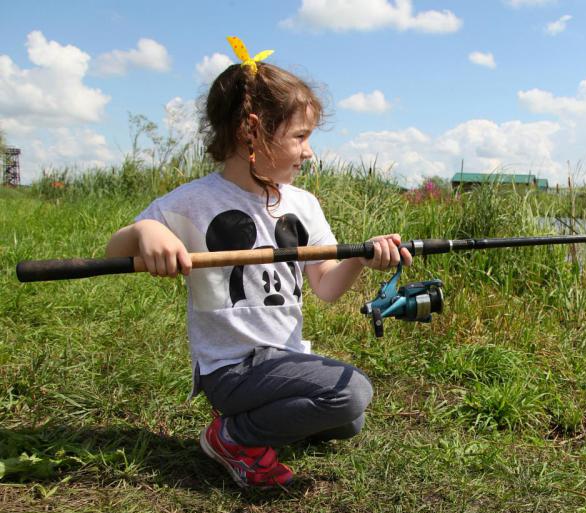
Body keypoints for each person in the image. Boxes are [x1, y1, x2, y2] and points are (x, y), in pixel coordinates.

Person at [105, 37, 412, 488]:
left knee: (349, 420)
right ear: (252, 132)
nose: (309, 151)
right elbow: (116, 250)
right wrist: (146, 232)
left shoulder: (304, 204)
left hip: (282, 359)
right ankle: (232, 437)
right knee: (351, 393)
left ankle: (257, 421)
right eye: (299, 137)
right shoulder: (192, 202)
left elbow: (326, 286)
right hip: (230, 368)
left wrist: (363, 259)